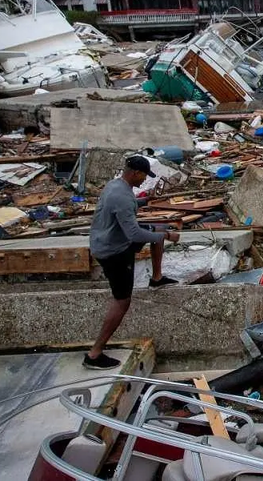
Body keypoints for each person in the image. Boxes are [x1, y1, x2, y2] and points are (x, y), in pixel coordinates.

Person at [83, 155, 180, 369]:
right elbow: (134, 234)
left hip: (108, 240)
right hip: (113, 251)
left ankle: (156, 277)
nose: (145, 180)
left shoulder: (116, 186)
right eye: (145, 175)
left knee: (158, 229)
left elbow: (126, 208)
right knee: (122, 301)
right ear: (135, 173)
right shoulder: (122, 196)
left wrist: (145, 201)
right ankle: (94, 353)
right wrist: (166, 237)